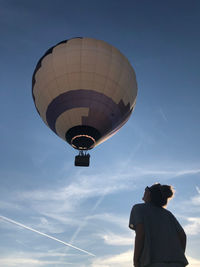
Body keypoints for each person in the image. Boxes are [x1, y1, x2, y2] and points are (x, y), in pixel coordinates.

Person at [129, 183, 188, 267]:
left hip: (152, 263)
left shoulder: (138, 209)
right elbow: (182, 236)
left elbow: (141, 234)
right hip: (177, 263)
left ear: (149, 193)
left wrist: (136, 260)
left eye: (146, 189)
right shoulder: (168, 215)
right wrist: (177, 256)